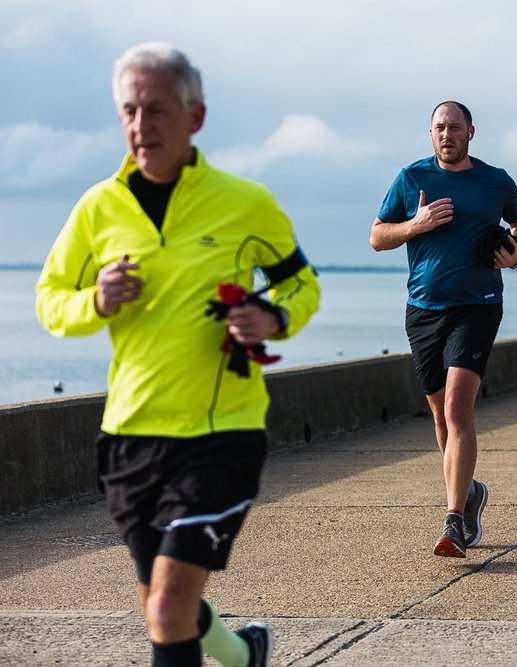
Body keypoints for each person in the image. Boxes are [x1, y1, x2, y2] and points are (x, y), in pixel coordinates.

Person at [35, 42, 320, 667]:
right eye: (131, 111)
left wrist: (272, 315)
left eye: (157, 109)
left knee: (166, 609)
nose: (142, 126)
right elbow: (51, 300)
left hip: (222, 434)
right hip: (130, 435)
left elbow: (303, 283)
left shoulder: (246, 202)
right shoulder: (97, 208)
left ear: (196, 117)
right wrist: (97, 302)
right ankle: (246, 656)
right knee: (166, 605)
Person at [370, 101, 517, 558]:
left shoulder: (493, 180)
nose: (448, 134)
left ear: (471, 133)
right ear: (431, 134)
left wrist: (516, 253)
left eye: (455, 128)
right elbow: (377, 236)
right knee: (442, 418)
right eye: (440, 128)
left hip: (478, 306)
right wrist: (415, 224)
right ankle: (470, 493)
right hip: (422, 309)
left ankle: (453, 520)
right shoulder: (411, 178)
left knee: (460, 409)